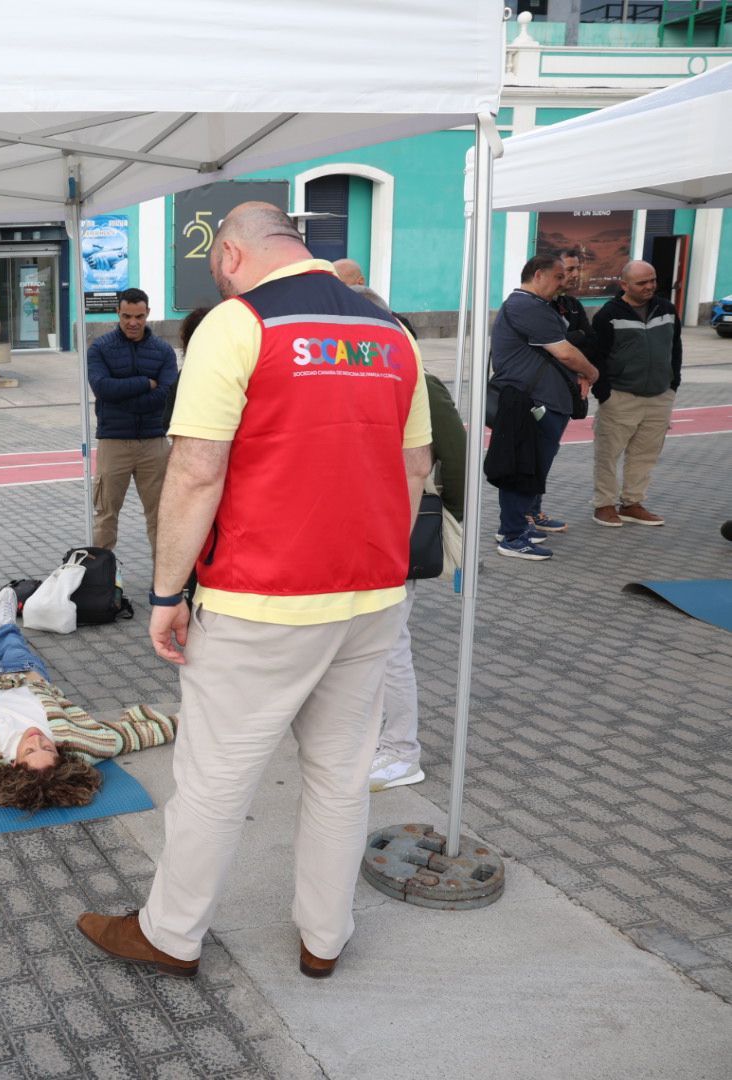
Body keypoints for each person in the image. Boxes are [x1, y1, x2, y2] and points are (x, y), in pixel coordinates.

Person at [76, 202, 432, 981]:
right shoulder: (391, 333)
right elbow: (413, 471)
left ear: (233, 254)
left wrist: (168, 593)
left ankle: (171, 934)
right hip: (372, 594)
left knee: (213, 780)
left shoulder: (237, 327)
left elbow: (197, 470)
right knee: (341, 776)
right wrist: (378, 564)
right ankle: (324, 939)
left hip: (261, 595)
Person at [350, 287, 468, 792]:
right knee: (364, 646)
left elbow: (456, 460)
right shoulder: (357, 376)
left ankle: (401, 751)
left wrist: (456, 531)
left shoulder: (420, 381)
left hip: (395, 535)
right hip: (356, 534)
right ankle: (376, 741)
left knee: (390, 647)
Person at [0, 587, 177, 810]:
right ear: (59, 753)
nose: (37, 739)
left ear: (14, 763)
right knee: (10, 641)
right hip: (23, 672)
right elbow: (131, 737)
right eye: (47, 748)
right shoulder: (80, 744)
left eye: (30, 750)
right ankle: (4, 623)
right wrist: (186, 724)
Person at [489, 254, 600, 560]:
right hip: (532, 403)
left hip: (538, 401)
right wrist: (591, 372)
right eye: (559, 277)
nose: (564, 283)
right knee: (524, 468)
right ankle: (512, 536)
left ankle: (513, 527)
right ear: (538, 275)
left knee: (529, 467)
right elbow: (565, 353)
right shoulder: (526, 305)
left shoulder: (532, 306)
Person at [588, 260, 681, 528]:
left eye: (652, 280)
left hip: (660, 397)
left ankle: (632, 503)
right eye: (642, 282)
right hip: (620, 397)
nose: (650, 286)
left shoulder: (667, 309)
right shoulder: (609, 314)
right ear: (625, 285)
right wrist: (604, 393)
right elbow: (598, 357)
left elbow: (675, 350)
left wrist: (673, 385)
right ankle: (603, 505)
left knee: (645, 454)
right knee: (608, 454)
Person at [87, 287, 179, 556]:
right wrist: (144, 383)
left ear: (148, 313)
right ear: (118, 312)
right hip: (114, 442)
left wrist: (122, 396)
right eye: (127, 315)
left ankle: (166, 585)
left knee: (161, 517)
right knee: (105, 517)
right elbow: (103, 388)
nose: (133, 322)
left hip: (154, 443)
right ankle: (99, 584)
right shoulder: (100, 348)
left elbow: (164, 395)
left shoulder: (163, 351)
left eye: (139, 316)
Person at [553, 248, 594, 355]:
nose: (576, 274)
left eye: (577, 269)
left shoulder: (574, 304)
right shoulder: (538, 305)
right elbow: (550, 344)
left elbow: (591, 339)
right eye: (570, 269)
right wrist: (579, 334)